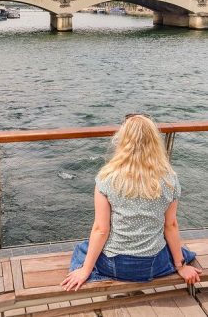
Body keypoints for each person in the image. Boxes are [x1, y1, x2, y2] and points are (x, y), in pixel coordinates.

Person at [61, 114, 202, 292]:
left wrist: (85, 270)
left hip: (115, 264)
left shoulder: (107, 178)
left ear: (122, 140)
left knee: (82, 249)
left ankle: (101, 280)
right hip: (153, 264)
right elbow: (171, 225)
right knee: (181, 251)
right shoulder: (169, 180)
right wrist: (181, 266)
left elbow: (101, 229)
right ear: (155, 141)